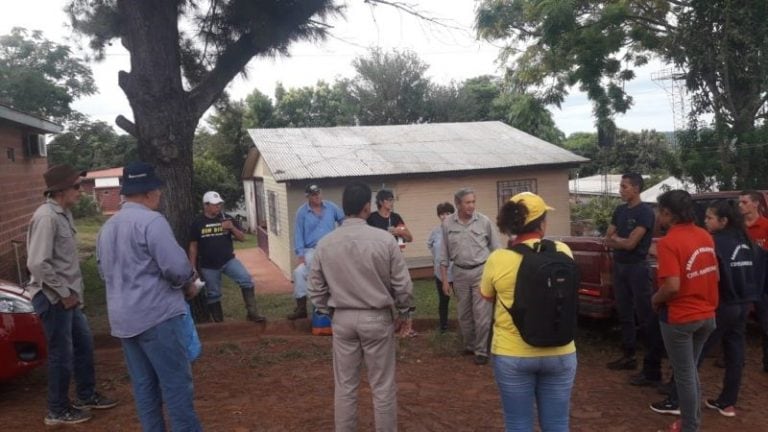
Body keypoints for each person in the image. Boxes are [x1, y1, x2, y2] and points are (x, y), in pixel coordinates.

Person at [97, 162, 202, 431]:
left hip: (124, 320)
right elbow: (177, 269)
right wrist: (189, 283)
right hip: (157, 317)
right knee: (176, 384)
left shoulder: (108, 227)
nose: (160, 195)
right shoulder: (152, 221)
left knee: (144, 387)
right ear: (148, 192)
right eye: (158, 190)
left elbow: (103, 271)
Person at [307, 181, 413, 432]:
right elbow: (403, 285)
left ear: (344, 207)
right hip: (376, 318)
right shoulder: (385, 240)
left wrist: (329, 310)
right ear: (367, 207)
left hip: (342, 319)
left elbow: (315, 288)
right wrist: (405, 311)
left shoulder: (326, 243)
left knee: (345, 387)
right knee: (382, 386)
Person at [26, 164, 118, 426]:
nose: (80, 191)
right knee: (61, 354)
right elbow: (38, 263)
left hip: (68, 298)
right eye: (76, 187)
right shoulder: (47, 217)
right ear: (60, 191)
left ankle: (86, 395)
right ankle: (57, 410)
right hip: (54, 298)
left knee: (84, 345)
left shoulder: (62, 213)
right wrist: (64, 293)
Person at [480, 192, 577, 432]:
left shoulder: (498, 259)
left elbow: (487, 296)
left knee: (518, 423)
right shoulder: (563, 251)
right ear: (542, 223)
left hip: (513, 354)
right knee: (557, 424)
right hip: (561, 350)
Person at [649, 190, 718, 432]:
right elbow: (715, 275)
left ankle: (690, 426)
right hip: (707, 315)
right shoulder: (705, 236)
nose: (658, 216)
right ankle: (691, 421)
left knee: (685, 373)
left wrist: (655, 300)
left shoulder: (668, 242)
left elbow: (672, 286)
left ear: (668, 213)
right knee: (690, 370)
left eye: (660, 211)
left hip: (680, 317)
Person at [440, 187, 501, 365]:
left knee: (482, 315)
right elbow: (443, 255)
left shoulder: (484, 222)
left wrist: (497, 275)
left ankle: (481, 351)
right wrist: (445, 280)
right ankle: (471, 345)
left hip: (481, 272)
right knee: (464, 315)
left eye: (473, 202)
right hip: (459, 273)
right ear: (458, 204)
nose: (471, 206)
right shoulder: (447, 224)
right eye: (467, 202)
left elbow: (497, 249)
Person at [604, 173, 657, 375]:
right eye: (621, 186)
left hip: (638, 267)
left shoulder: (645, 212)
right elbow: (607, 239)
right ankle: (629, 355)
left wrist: (618, 239)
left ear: (636, 188)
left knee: (644, 313)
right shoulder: (619, 210)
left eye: (624, 186)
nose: (621, 189)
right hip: (620, 266)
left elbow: (632, 244)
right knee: (624, 311)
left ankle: (652, 361)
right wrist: (620, 240)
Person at [188, 190, 265, 323]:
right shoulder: (198, 222)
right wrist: (192, 266)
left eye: (219, 204)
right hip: (208, 265)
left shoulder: (226, 218)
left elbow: (242, 238)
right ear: (205, 205)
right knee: (213, 294)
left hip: (228, 260)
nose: (218, 207)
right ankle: (219, 322)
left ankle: (252, 313)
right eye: (214, 204)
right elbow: (193, 246)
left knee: (246, 279)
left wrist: (231, 228)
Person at [288, 184, 344, 320]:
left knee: (305, 272)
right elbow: (298, 234)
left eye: (318, 193)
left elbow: (343, 220)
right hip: (311, 250)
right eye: (313, 194)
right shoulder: (302, 212)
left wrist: (342, 234)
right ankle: (302, 308)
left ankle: (331, 306)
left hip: (330, 248)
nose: (317, 196)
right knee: (300, 272)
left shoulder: (331, 207)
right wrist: (300, 255)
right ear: (308, 197)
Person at [738, 190, 768, 372]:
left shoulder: (765, 226)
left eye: (744, 202)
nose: (740, 205)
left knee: (765, 324)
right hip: (741, 283)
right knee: (736, 324)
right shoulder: (738, 229)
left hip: (762, 284)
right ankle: (734, 359)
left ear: (756, 203)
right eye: (739, 202)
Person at [427, 202, 455, 333]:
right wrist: (437, 261)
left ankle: (467, 325)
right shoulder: (435, 232)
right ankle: (443, 326)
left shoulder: (457, 230)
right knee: (443, 301)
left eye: (448, 213)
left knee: (464, 301)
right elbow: (430, 246)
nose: (445, 216)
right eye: (442, 214)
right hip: (440, 273)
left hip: (457, 272)